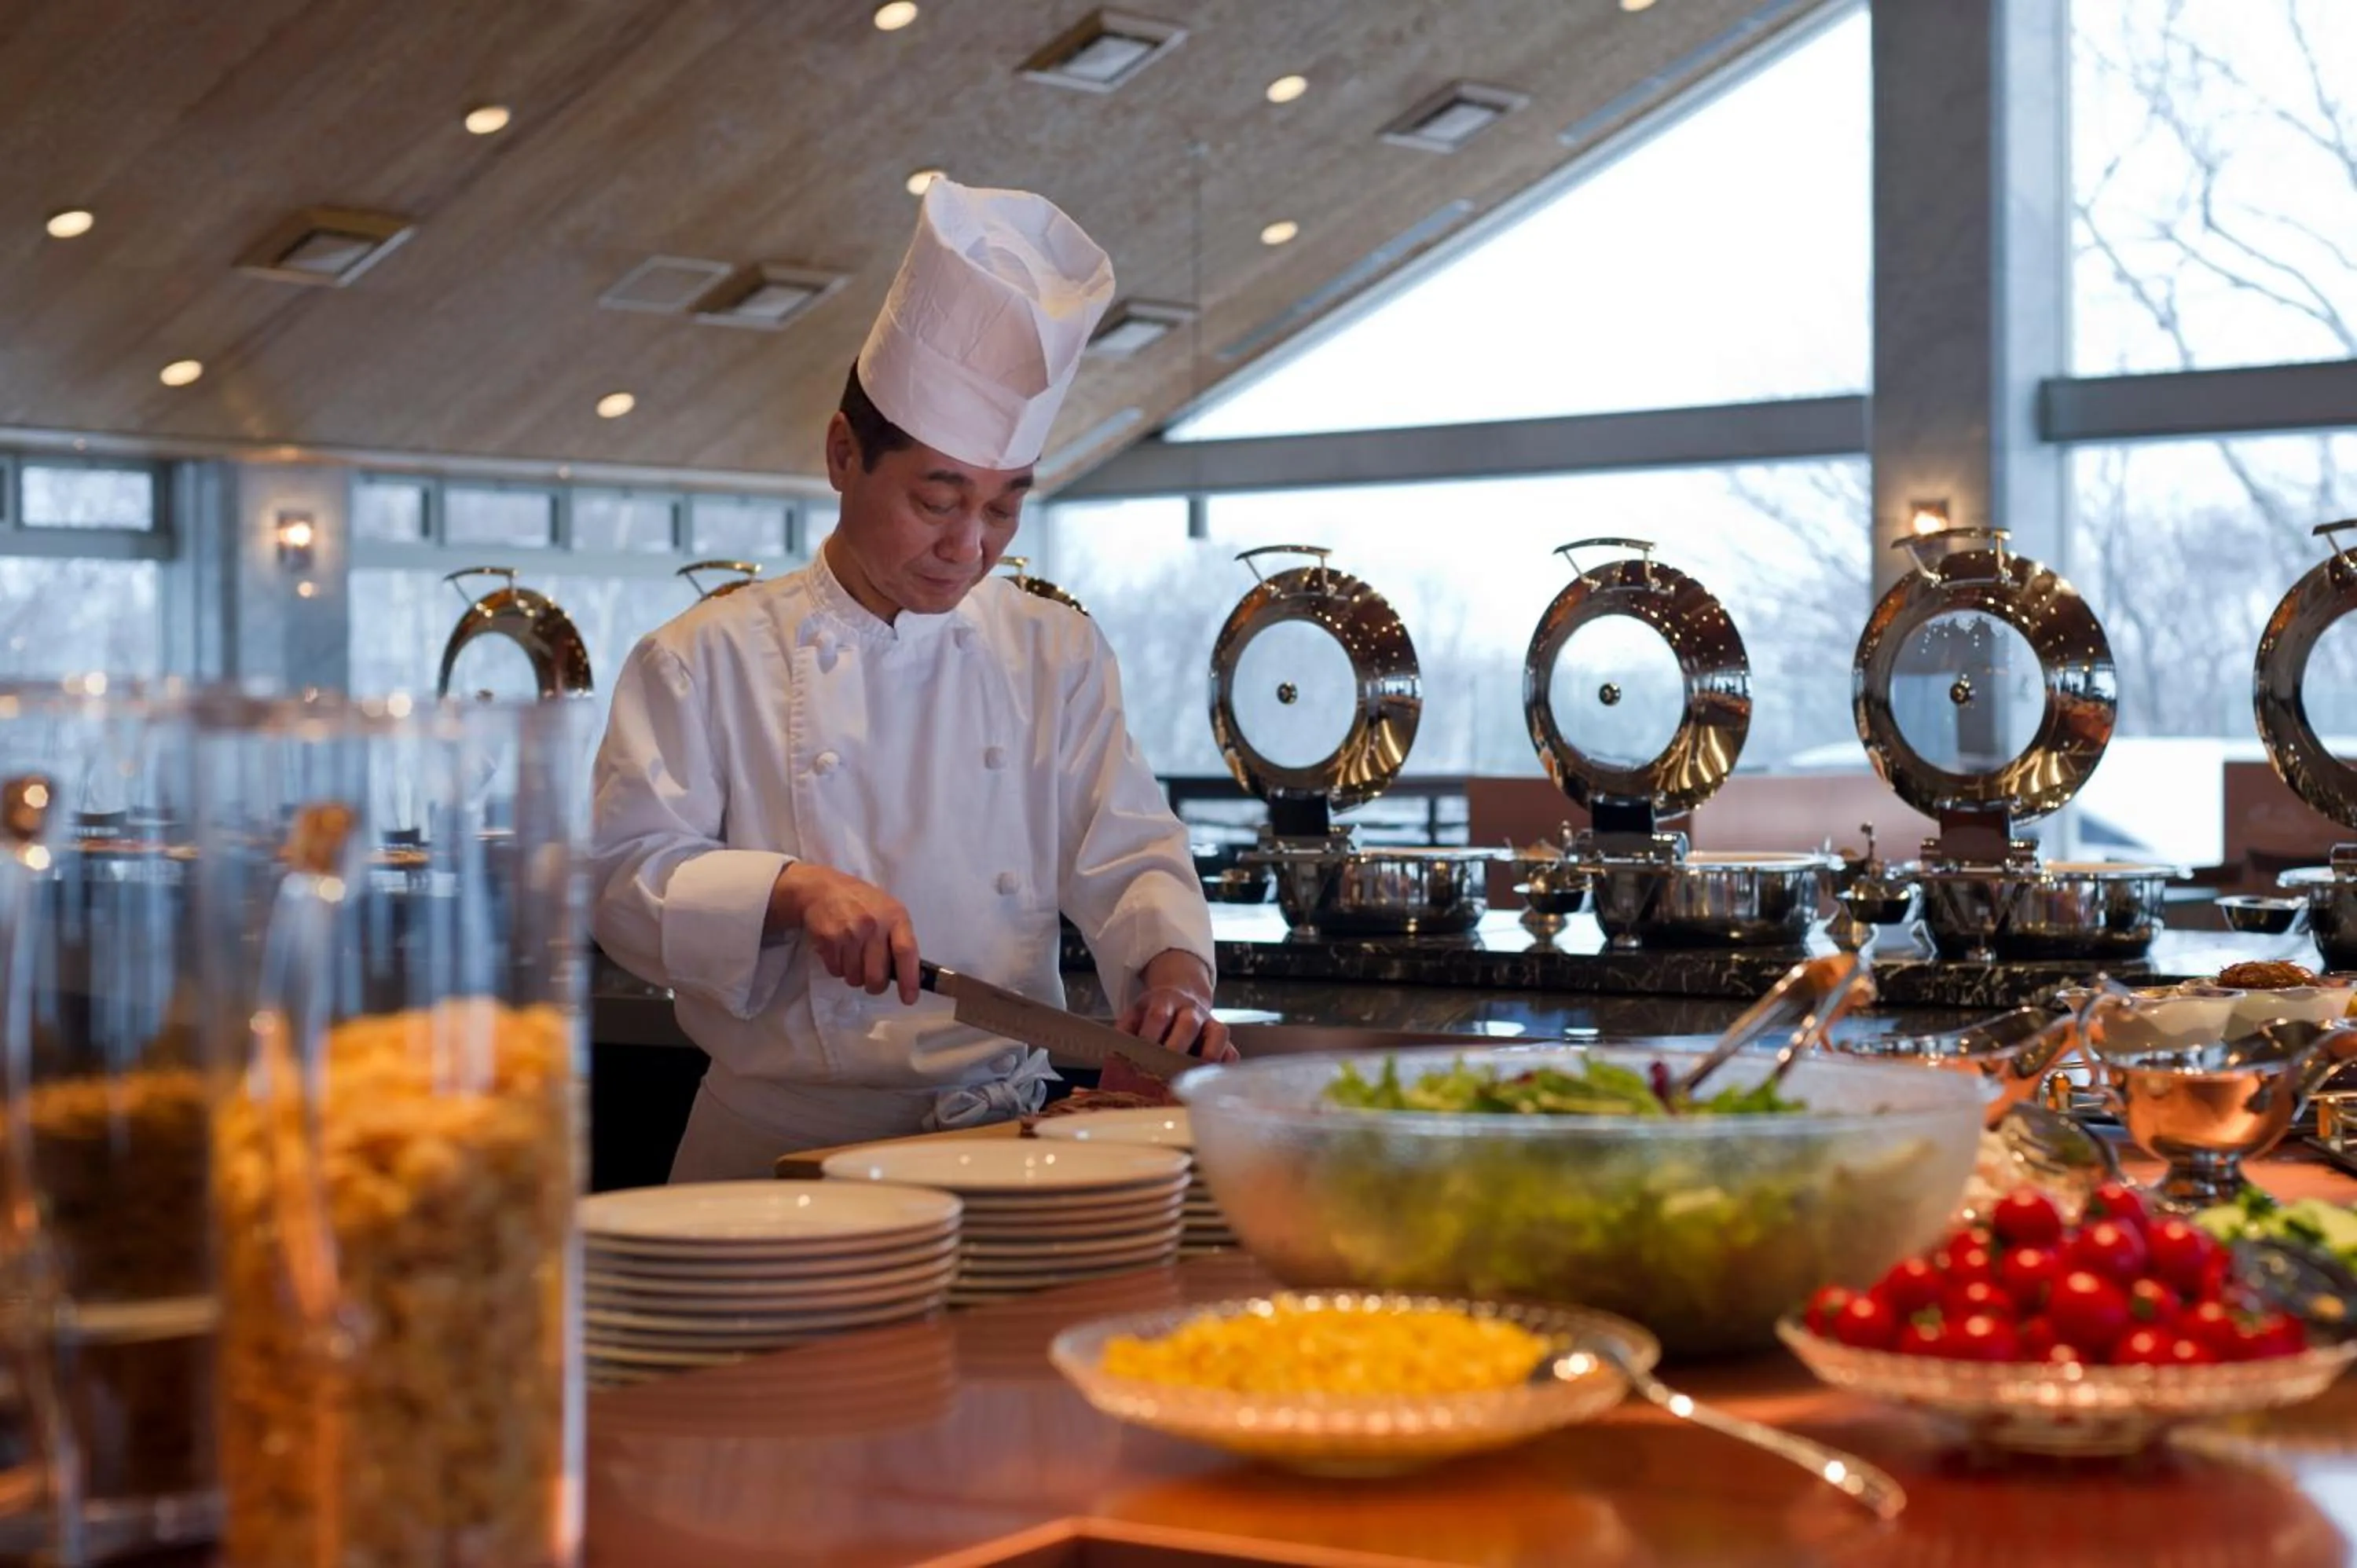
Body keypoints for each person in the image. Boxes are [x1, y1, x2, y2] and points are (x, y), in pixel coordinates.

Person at [590, 178, 1233, 1181]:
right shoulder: (703, 656)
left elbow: (1129, 851)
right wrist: (790, 891)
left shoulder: (1054, 650)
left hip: (1005, 1145)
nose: (969, 546)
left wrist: (1174, 983)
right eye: (938, 501)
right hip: (777, 1158)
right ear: (843, 454)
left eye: (1003, 508)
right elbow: (621, 879)